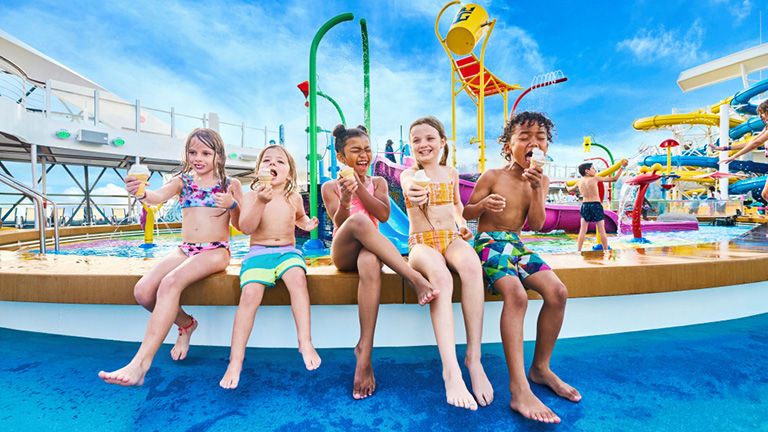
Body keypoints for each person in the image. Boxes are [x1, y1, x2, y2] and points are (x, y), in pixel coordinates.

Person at [99, 128, 243, 386]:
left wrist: (232, 205)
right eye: (192, 152)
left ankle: (140, 364)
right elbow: (156, 198)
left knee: (169, 283)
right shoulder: (182, 181)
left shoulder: (230, 185)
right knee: (143, 292)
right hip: (185, 248)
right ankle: (186, 324)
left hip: (216, 250)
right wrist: (140, 192)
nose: (198, 157)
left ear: (218, 157)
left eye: (206, 153)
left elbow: (243, 226)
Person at [464, 112, 581, 423]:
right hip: (488, 242)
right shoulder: (492, 176)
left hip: (517, 244)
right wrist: (484, 205)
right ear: (508, 145)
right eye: (525, 137)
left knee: (557, 292)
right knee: (516, 296)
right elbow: (466, 212)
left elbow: (540, 224)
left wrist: (539, 189)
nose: (533, 142)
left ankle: (540, 368)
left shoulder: (540, 180)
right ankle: (519, 388)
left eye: (540, 137)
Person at [320, 124, 438, 400]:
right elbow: (339, 223)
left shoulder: (379, 183)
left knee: (372, 260)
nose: (364, 155)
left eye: (367, 149)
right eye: (355, 150)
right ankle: (413, 277)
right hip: (344, 251)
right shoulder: (329, 187)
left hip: (367, 251)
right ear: (340, 156)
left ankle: (365, 351)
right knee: (359, 221)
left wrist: (360, 187)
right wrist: (346, 197)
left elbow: (384, 215)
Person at [400, 116, 493, 410]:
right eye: (416, 140)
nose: (423, 144)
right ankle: (451, 370)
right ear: (411, 146)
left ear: (442, 142)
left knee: (471, 265)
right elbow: (408, 189)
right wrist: (416, 191)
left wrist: (462, 223)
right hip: (421, 243)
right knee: (441, 278)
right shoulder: (408, 175)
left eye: (429, 138)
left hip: (450, 237)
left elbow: (456, 206)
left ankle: (473, 359)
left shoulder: (450, 172)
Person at [220, 145, 321, 390]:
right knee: (250, 294)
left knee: (298, 278)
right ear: (258, 170)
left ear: (289, 173)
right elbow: (246, 227)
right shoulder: (253, 196)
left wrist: (307, 223)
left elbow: (298, 217)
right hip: (259, 254)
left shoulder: (293, 196)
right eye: (267, 161)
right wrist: (260, 202)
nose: (272, 165)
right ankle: (236, 360)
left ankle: (305, 341)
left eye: (279, 162)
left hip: (287, 252)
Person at [566, 161, 626, 251]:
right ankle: (605, 250)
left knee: (582, 230)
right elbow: (614, 179)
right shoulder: (595, 179)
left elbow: (569, 189)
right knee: (601, 230)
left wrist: (565, 185)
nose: (595, 170)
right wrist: (622, 167)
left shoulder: (579, 182)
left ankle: (578, 250)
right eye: (593, 168)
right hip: (596, 205)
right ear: (587, 171)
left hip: (585, 205)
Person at [716, 101, 768, 201]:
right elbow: (752, 141)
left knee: (766, 194)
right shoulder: (766, 127)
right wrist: (727, 148)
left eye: (762, 113)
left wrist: (734, 156)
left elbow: (756, 144)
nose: (760, 116)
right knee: (765, 194)